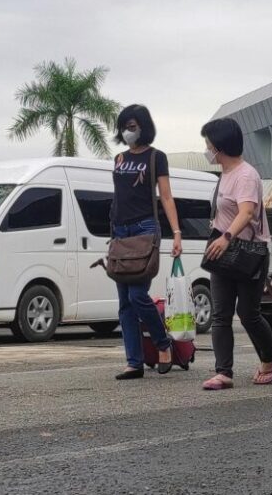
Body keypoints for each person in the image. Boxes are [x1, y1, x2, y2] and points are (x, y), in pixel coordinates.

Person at [200, 117, 272, 390]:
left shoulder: (246, 174)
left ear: (220, 146)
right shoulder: (224, 174)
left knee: (248, 313)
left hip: (247, 252)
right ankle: (223, 372)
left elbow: (247, 212)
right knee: (221, 314)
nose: (207, 149)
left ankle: (271, 359)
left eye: (208, 144)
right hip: (224, 253)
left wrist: (225, 237)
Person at [111, 104, 182, 380]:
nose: (127, 132)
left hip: (145, 228)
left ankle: (163, 342)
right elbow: (118, 197)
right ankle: (134, 361)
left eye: (131, 126)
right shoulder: (118, 158)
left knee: (137, 295)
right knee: (124, 302)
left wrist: (176, 233)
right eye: (123, 127)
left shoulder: (156, 157)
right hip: (120, 230)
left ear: (143, 126)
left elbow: (165, 196)